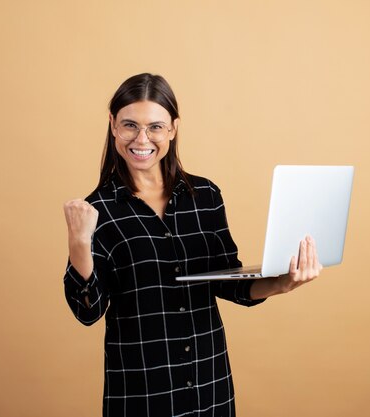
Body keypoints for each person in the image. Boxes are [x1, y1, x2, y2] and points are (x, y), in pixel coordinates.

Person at [63, 73, 322, 417]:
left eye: (155, 126)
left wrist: (283, 282)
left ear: (173, 128)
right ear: (113, 126)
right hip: (143, 395)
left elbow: (228, 283)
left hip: (209, 387)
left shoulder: (206, 197)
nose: (142, 138)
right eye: (129, 125)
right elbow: (87, 311)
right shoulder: (97, 212)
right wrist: (79, 242)